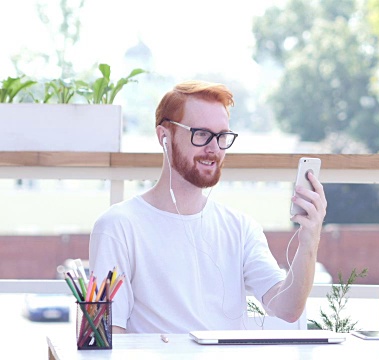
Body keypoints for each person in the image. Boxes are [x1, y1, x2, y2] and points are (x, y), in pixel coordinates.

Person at [89, 80, 327, 334]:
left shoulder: (241, 227)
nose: (214, 148)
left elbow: (287, 309)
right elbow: (105, 336)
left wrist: (309, 241)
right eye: (201, 134)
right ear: (164, 137)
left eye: (222, 136)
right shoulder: (116, 226)